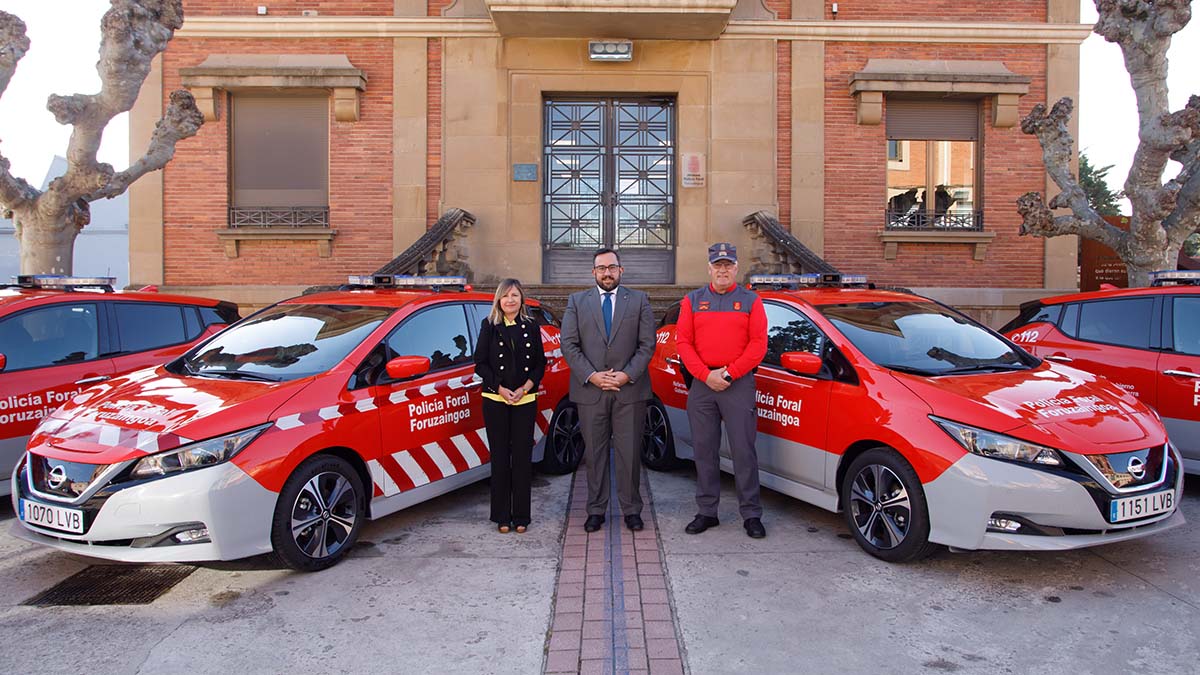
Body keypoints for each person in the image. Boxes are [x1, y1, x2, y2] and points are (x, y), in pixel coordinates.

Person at [674, 243, 769, 538]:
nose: (723, 270)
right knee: (704, 451)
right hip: (703, 386)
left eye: (728, 265)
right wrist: (705, 375)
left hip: (737, 383)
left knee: (743, 451)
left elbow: (758, 346)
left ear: (736, 268)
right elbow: (683, 344)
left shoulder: (751, 301)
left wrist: (728, 373)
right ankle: (707, 511)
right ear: (709, 268)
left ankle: (751, 514)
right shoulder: (692, 301)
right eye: (718, 265)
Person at [560, 248, 656, 533]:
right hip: (591, 391)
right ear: (593, 272)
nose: (607, 272)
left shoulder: (639, 300)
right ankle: (596, 509)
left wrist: (626, 375)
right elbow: (569, 344)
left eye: (612, 267)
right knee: (595, 452)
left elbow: (647, 344)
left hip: (630, 391)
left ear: (621, 270)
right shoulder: (577, 302)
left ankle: (631, 509)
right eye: (601, 268)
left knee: (629, 453)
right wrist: (592, 375)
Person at [474, 279, 546, 534]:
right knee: (501, 458)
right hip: (496, 400)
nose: (510, 300)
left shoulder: (531, 325)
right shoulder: (489, 326)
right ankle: (502, 516)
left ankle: (522, 516)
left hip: (525, 400)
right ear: (498, 300)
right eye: (505, 296)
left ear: (521, 299)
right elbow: (479, 363)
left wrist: (525, 387)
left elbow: (540, 364)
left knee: (523, 459)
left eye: (515, 295)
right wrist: (500, 388)